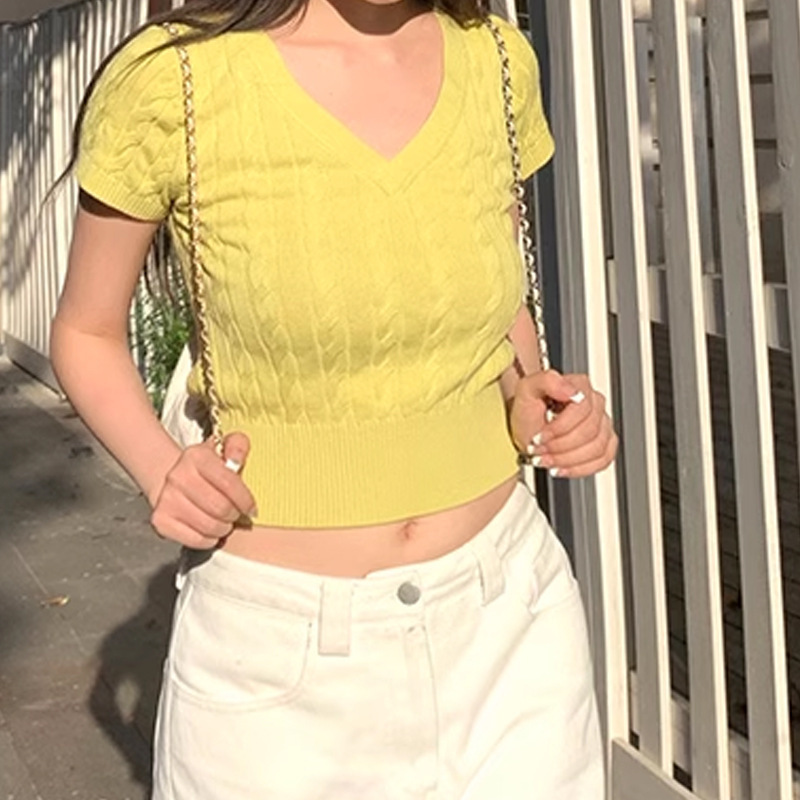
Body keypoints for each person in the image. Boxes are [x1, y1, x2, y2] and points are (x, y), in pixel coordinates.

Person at [51, 0, 618, 796]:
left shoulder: (494, 57)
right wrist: (162, 470)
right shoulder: (173, 78)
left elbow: (484, 288)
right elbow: (87, 331)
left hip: (514, 630)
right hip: (275, 665)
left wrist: (526, 395)